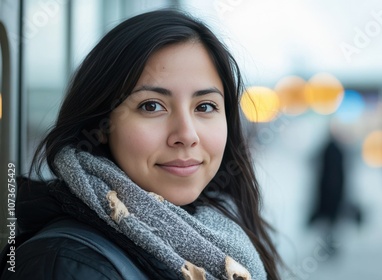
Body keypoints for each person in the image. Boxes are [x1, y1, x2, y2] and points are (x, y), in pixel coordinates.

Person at [0, 9, 281, 279]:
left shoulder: (221, 232)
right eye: (151, 106)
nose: (186, 134)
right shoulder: (65, 265)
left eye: (205, 106)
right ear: (100, 127)